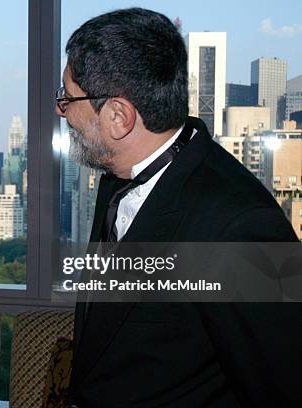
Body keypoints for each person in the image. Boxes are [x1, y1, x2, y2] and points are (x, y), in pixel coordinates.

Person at [57, 8, 302, 407]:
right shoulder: (115, 178)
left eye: (67, 97)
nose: (61, 110)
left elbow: (283, 387)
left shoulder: (240, 226)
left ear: (119, 117)